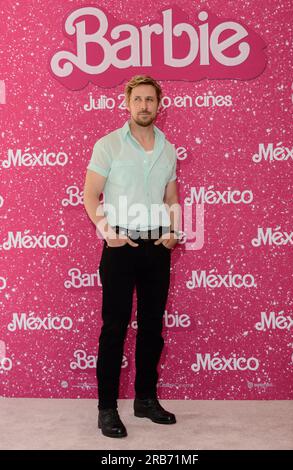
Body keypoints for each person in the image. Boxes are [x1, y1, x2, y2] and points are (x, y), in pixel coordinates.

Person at [83, 75, 181, 438]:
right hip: (120, 247)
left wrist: (173, 230)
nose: (144, 106)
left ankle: (145, 400)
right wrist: (108, 232)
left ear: (159, 105)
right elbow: (90, 195)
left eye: (150, 100)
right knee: (114, 328)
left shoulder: (168, 149)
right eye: (137, 99)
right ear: (127, 103)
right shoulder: (108, 145)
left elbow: (171, 197)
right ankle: (107, 409)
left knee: (152, 328)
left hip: (157, 247)